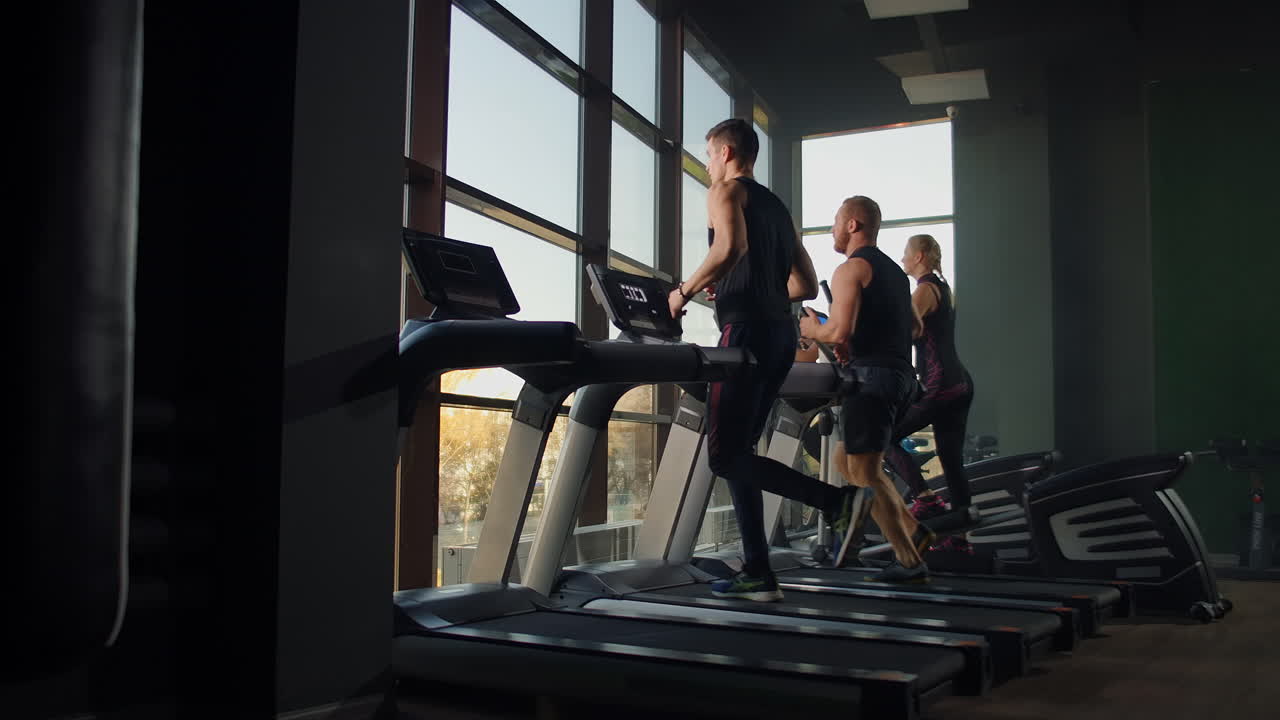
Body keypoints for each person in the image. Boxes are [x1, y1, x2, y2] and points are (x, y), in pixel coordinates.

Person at [669, 119, 876, 602]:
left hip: (744, 334)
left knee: (723, 456)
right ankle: (758, 571)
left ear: (724, 151)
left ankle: (838, 501)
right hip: (780, 334)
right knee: (740, 454)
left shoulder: (725, 192)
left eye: (707, 154)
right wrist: (754, 285)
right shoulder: (777, 208)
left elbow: (730, 247)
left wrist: (683, 292)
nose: (706, 164)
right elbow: (803, 283)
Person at [799, 197, 929, 583]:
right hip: (901, 378)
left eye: (836, 222)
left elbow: (835, 330)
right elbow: (916, 328)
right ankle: (916, 532)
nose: (833, 230)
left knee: (864, 472)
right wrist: (862, 337)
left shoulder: (850, 269)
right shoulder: (893, 272)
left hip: (872, 380)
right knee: (846, 461)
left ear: (853, 224)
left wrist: (812, 331)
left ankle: (911, 561)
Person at [885, 234, 976, 546]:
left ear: (920, 256)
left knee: (885, 435)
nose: (902, 259)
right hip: (958, 382)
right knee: (952, 461)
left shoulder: (924, 289)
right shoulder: (940, 286)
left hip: (941, 385)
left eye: (906, 253)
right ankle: (961, 536)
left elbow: (901, 332)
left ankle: (924, 497)